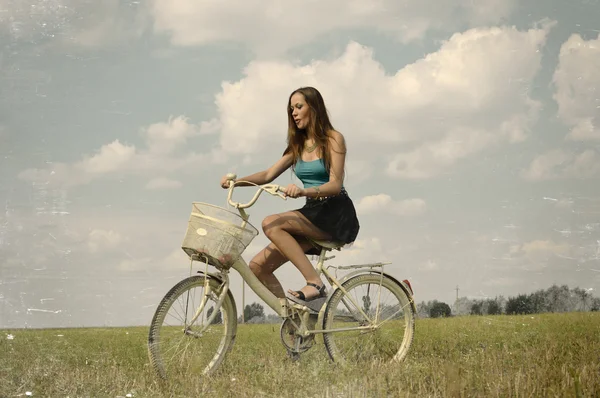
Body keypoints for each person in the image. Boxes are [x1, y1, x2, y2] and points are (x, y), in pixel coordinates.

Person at [220, 87, 359, 302]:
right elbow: (268, 174)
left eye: (299, 107)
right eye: (291, 108)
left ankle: (315, 283)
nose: (293, 112)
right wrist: (235, 183)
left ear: (314, 108)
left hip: (334, 213)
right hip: (311, 213)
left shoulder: (334, 139)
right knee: (258, 267)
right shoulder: (298, 146)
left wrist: (303, 190)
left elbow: (335, 184)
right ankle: (294, 324)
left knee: (271, 223)